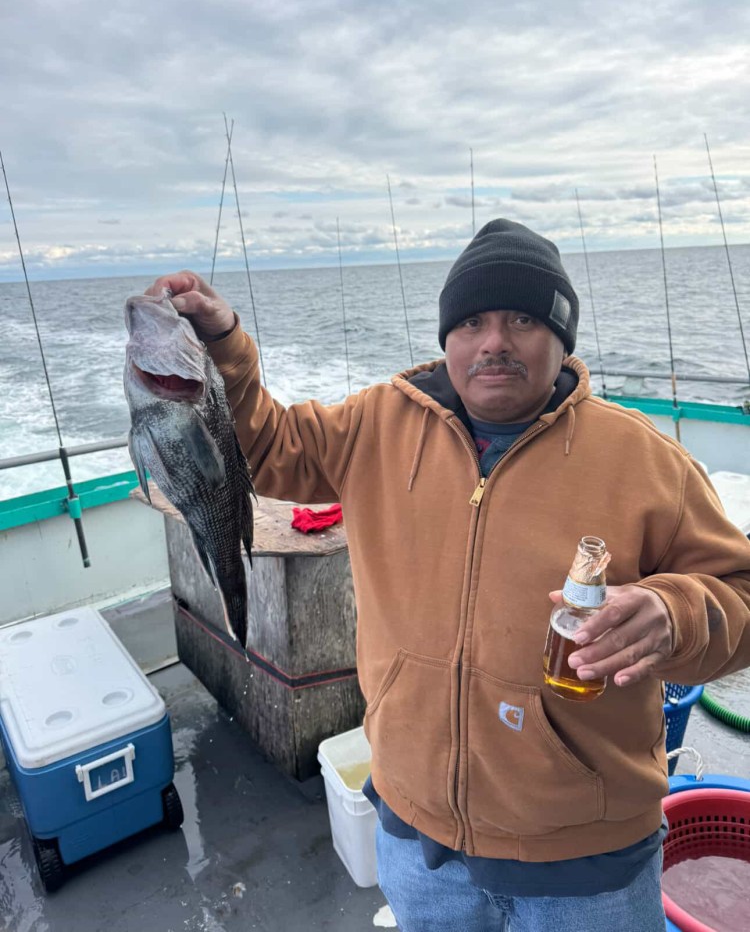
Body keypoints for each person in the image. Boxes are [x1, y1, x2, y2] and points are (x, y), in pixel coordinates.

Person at [146, 219, 750, 932]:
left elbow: (738, 599)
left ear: (562, 340)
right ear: (447, 340)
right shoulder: (375, 423)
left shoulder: (648, 462)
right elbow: (269, 450)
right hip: (417, 837)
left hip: (588, 866)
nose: (493, 340)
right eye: (470, 322)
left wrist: (672, 611)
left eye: (521, 318)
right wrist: (224, 345)